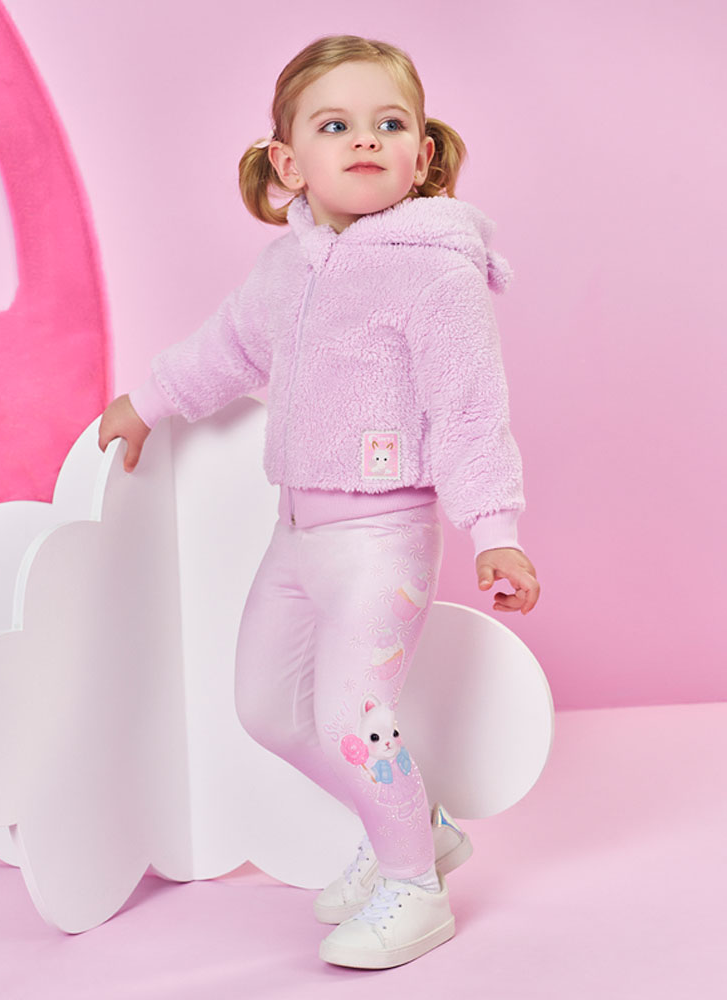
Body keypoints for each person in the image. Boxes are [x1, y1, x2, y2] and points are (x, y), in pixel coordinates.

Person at [98, 33, 540, 969]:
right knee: (265, 707)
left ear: (423, 155)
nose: (366, 138)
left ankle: (414, 886)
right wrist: (149, 399)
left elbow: (469, 411)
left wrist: (495, 531)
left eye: (390, 123)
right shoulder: (286, 268)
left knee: (352, 717)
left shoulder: (435, 272)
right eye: (336, 125)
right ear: (288, 163)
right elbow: (228, 348)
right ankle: (415, 826)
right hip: (295, 532)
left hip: (384, 539)